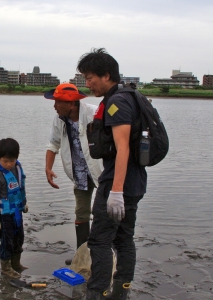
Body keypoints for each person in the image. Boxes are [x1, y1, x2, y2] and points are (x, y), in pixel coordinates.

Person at [77, 48, 147, 299]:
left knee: (100, 241)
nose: (87, 83)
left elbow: (122, 148)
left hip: (119, 183)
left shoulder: (117, 101)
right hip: (135, 181)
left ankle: (95, 292)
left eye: (89, 77)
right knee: (124, 238)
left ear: (106, 75)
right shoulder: (130, 96)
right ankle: (121, 290)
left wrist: (116, 191)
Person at [44, 83, 103, 265]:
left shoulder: (94, 114)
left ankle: (103, 256)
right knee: (81, 213)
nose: (54, 106)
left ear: (71, 104)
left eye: (57, 102)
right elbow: (53, 144)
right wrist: (48, 168)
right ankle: (82, 257)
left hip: (100, 171)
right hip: (79, 173)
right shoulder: (59, 119)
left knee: (103, 213)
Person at [0, 138, 28, 278]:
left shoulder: (18, 167)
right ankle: (6, 267)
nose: (9, 164)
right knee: (7, 241)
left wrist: (24, 203)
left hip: (17, 211)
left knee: (19, 237)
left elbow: (21, 187)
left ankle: (16, 264)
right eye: (5, 161)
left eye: (12, 161)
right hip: (4, 214)